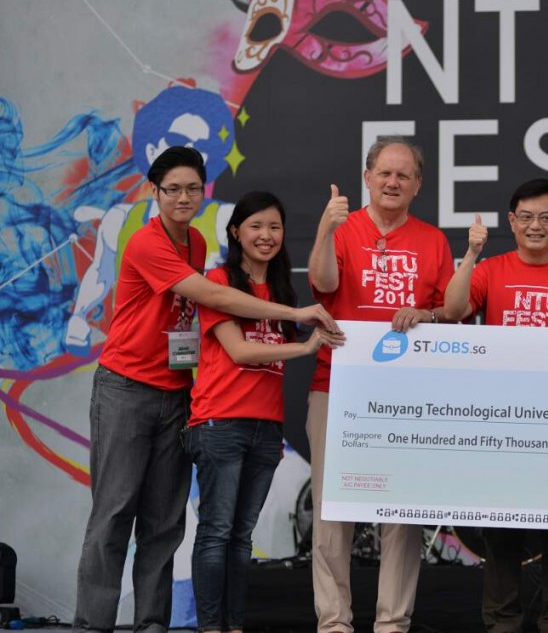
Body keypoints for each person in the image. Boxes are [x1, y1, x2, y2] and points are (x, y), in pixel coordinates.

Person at [73, 147, 338, 633]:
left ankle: (152, 623)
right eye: (172, 188)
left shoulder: (195, 242)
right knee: (114, 514)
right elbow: (213, 296)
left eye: (193, 188)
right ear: (154, 192)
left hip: (176, 392)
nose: (184, 197)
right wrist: (297, 316)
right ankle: (93, 625)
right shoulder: (147, 243)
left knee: (166, 520)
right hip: (126, 388)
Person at [306, 137, 455, 633]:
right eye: (384, 173)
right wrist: (327, 229)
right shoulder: (342, 228)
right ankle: (334, 622)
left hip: (406, 394)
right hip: (337, 384)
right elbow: (324, 286)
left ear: (417, 186)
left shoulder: (434, 240)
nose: (393, 182)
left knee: (401, 514)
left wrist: (427, 313)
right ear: (367, 177)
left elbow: (450, 312)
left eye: (404, 175)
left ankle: (393, 623)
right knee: (332, 514)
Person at [444, 177, 548, 633]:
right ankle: (502, 624)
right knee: (501, 534)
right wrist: (471, 255)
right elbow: (454, 311)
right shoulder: (492, 269)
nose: (536, 226)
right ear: (511, 222)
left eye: (546, 218)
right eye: (526, 217)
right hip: (503, 422)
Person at [185, 191, 343, 633]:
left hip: (266, 428)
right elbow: (237, 351)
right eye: (256, 226)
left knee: (240, 539)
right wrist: (306, 346)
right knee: (216, 533)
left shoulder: (280, 290)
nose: (266, 236)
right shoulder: (218, 279)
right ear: (236, 232)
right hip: (220, 423)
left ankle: (233, 626)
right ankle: (211, 627)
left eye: (275, 227)